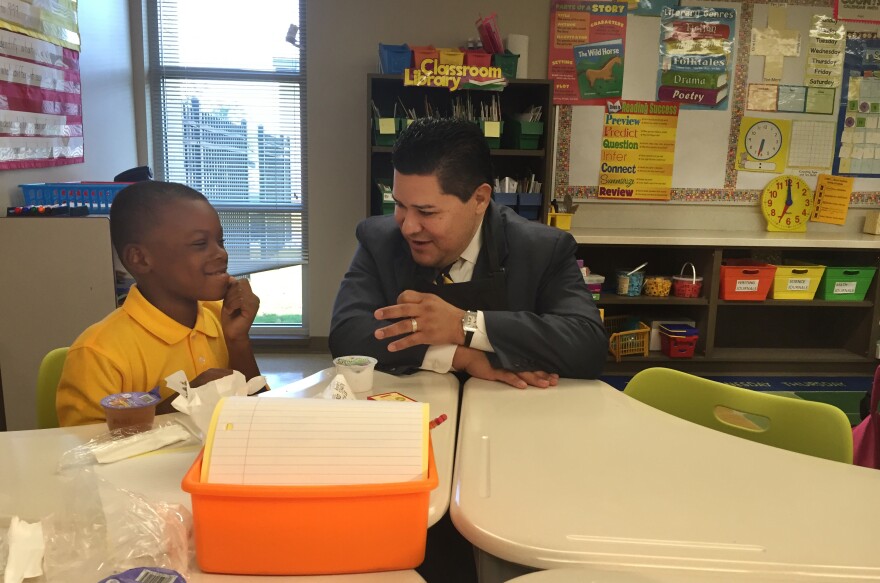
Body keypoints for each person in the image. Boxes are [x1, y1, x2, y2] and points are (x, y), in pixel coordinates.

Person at [329, 117, 607, 389]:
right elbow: (347, 334)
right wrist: (460, 357)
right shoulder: (378, 240)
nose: (408, 227)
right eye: (400, 205)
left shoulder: (542, 249)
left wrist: (464, 325)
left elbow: (587, 345)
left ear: (480, 199)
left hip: (515, 413)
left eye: (427, 212)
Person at [56, 181, 263, 427]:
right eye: (200, 244)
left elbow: (258, 417)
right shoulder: (99, 353)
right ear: (140, 259)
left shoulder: (221, 317)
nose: (221, 254)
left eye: (221, 241)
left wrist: (238, 341)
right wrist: (180, 404)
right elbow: (86, 452)